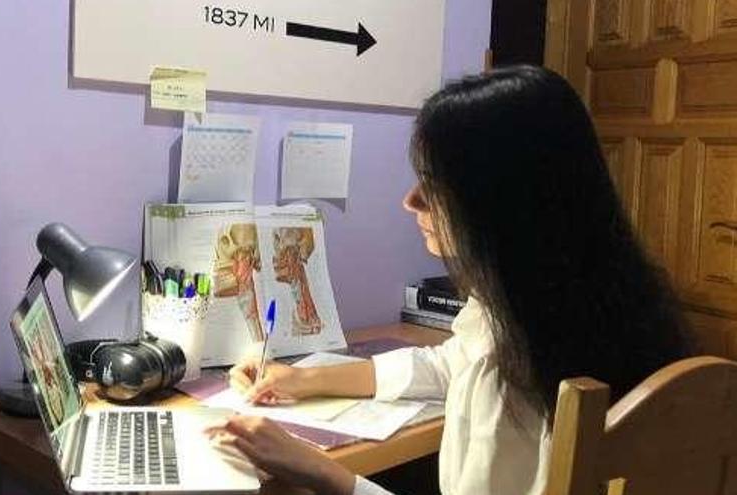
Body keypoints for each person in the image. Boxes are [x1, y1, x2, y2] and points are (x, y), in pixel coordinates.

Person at [205, 66, 693, 495]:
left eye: (434, 184)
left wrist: (323, 472)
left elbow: (473, 370)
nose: (411, 201)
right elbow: (446, 365)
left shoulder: (507, 382)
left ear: (499, 202)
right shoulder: (593, 304)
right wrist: (308, 379)